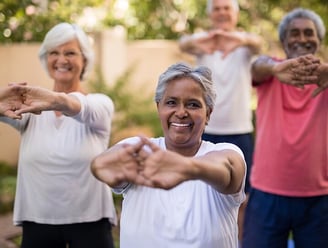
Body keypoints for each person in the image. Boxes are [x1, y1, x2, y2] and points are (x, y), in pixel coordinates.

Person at [91, 62, 247, 248]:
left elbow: (226, 168)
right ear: (159, 107)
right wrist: (102, 168)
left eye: (193, 104)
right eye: (171, 102)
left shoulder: (224, 152)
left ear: (208, 114)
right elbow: (102, 164)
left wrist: (185, 167)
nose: (181, 112)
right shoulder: (137, 148)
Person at [0, 23, 117, 248]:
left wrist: (56, 99)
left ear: (84, 60)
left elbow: (79, 107)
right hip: (37, 222)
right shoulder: (30, 111)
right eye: (54, 52)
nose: (61, 59)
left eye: (70, 52)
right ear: (46, 58)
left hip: (90, 223)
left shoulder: (99, 104)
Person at [242, 8, 328, 248]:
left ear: (319, 40)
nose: (302, 39)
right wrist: (275, 68)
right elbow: (256, 65)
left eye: (308, 33)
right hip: (267, 194)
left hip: (319, 198)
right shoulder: (271, 71)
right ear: (284, 41)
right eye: (294, 33)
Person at [178, 0, 262, 240]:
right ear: (211, 14)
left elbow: (259, 44)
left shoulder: (244, 43)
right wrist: (204, 41)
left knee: (242, 198)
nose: (222, 13)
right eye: (217, 8)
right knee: (199, 192)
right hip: (204, 130)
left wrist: (238, 40)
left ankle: (237, 243)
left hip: (239, 130)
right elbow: (183, 43)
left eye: (227, 8)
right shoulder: (202, 42)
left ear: (235, 14)